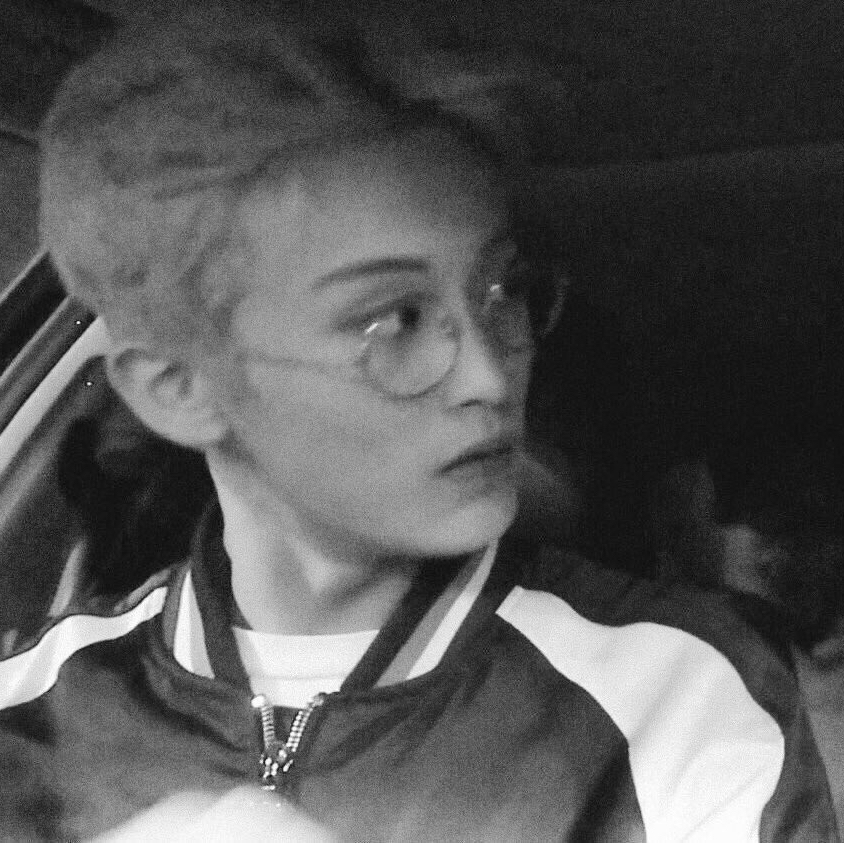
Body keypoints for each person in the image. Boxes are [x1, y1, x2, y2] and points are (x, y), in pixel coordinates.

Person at [0, 8, 837, 841]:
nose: (490, 374)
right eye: (393, 319)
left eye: (502, 291)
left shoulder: (686, 691)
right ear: (179, 388)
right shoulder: (24, 717)